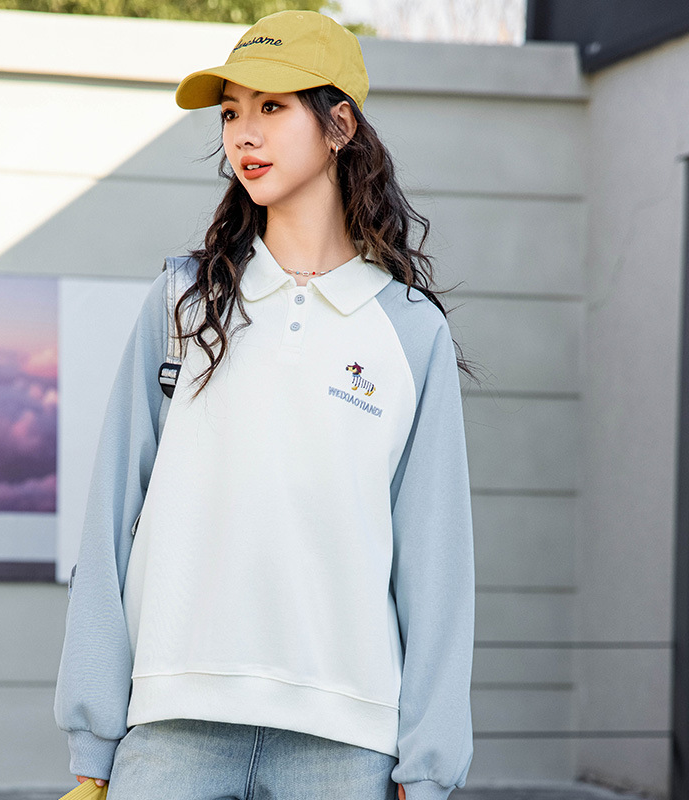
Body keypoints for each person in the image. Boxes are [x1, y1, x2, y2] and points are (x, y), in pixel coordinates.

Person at [54, 9, 477, 800]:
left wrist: (428, 764)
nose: (244, 134)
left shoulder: (408, 331)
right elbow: (111, 514)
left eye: (272, 107)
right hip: (173, 727)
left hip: (346, 742)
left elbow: (437, 562)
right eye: (230, 112)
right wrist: (93, 728)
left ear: (340, 125)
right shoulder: (184, 302)